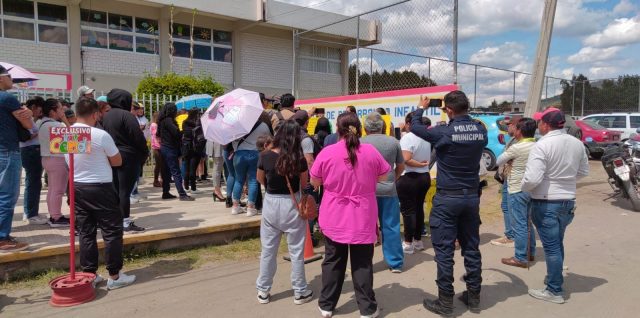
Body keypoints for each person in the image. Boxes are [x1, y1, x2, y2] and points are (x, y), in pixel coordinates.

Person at [410, 91, 487, 315]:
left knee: (444, 251)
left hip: (448, 198)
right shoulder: (480, 130)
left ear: (449, 110)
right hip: (471, 197)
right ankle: (474, 296)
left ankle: (445, 302)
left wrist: (421, 108)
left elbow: (416, 127)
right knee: (471, 246)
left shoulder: (445, 131)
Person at [312, 112, 389, 318]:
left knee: (333, 260)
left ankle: (327, 305)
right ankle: (367, 308)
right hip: (362, 214)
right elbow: (383, 176)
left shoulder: (328, 152)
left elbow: (315, 181)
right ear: (360, 129)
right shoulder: (370, 151)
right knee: (362, 262)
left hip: (334, 213)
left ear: (337, 129)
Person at [522, 107, 589, 304]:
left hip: (546, 202)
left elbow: (532, 178)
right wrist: (564, 181)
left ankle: (554, 290)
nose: (538, 126)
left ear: (545, 124)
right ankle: (555, 281)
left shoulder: (542, 145)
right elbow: (583, 171)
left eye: (540, 123)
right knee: (557, 245)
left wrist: (523, 187)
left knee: (552, 248)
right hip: (567, 201)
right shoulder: (577, 144)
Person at [70, 97, 136, 289]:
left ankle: (89, 273)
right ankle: (115, 276)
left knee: (86, 232)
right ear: (95, 114)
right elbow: (117, 161)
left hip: (77, 186)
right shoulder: (100, 135)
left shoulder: (67, 133)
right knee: (112, 231)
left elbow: (71, 161)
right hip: (100, 187)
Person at [255, 120, 313, 305]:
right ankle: (300, 291)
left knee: (268, 250)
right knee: (296, 251)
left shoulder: (265, 156)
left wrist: (272, 187)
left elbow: (259, 179)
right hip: (292, 203)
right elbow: (304, 185)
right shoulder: (299, 158)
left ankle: (263, 290)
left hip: (271, 202)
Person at [361, 112, 405, 273]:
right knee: (391, 226)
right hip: (388, 189)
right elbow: (401, 166)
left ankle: (364, 263)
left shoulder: (360, 143)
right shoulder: (393, 142)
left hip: (366, 192)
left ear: (365, 128)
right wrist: (393, 178)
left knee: (365, 228)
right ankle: (395, 263)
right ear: (383, 126)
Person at [101, 89, 149, 232]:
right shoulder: (126, 115)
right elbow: (137, 137)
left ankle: (116, 219)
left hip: (111, 154)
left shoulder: (107, 116)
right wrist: (144, 153)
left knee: (115, 189)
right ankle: (125, 222)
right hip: (128, 156)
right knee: (125, 191)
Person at [0, 64, 34, 252]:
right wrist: (27, 114)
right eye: (8, 76)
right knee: (7, 195)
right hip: (7, 150)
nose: (11, 79)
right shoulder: (7, 98)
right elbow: (28, 124)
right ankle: (2, 238)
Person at [498, 118, 538, 268]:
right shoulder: (537, 145)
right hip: (531, 188)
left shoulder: (517, 148)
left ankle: (520, 257)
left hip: (516, 188)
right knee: (528, 222)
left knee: (520, 224)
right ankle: (530, 252)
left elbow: (498, 161)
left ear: (519, 131)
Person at [397, 112, 431, 254]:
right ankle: (417, 241)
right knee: (418, 209)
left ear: (409, 124)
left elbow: (406, 159)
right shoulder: (425, 137)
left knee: (408, 211)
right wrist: (423, 165)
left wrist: (419, 165)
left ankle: (408, 242)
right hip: (424, 177)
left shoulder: (408, 138)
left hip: (410, 178)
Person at [38, 98, 71, 227]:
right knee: (58, 190)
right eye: (60, 108)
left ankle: (53, 215)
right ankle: (56, 217)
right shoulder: (56, 125)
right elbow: (73, 136)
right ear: (53, 111)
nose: (62, 111)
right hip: (57, 159)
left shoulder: (42, 123)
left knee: (52, 189)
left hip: (47, 158)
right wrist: (65, 120)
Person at [231, 116, 271, 216]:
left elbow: (232, 139)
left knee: (239, 180)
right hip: (255, 153)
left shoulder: (238, 125)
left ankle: (235, 207)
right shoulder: (263, 125)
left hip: (239, 154)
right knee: (253, 180)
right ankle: (250, 208)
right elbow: (269, 139)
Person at [20, 97, 48, 225]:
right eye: (40, 108)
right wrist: (39, 132)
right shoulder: (26, 117)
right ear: (34, 107)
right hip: (31, 150)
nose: (41, 111)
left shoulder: (29, 117)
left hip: (31, 150)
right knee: (33, 182)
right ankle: (31, 214)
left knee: (32, 182)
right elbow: (26, 136)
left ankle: (30, 212)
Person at [157, 103, 194, 201]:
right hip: (170, 148)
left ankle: (165, 192)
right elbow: (176, 133)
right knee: (176, 171)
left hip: (164, 148)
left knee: (166, 172)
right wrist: (184, 131)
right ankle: (182, 194)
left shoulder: (161, 121)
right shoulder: (169, 121)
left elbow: (159, 134)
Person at [491, 118, 518, 247]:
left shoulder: (517, 143)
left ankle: (511, 236)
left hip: (513, 179)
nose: (507, 128)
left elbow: (500, 160)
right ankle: (511, 234)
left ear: (516, 126)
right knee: (506, 207)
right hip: (508, 178)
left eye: (509, 125)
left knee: (509, 207)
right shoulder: (513, 140)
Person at [182, 108, 206, 194]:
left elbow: (184, 134)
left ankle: (186, 186)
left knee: (186, 167)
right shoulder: (199, 123)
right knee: (193, 168)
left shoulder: (184, 122)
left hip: (186, 146)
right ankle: (193, 188)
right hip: (196, 147)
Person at [150, 112, 163, 188]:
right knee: (158, 164)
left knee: (161, 164)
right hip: (157, 146)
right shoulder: (154, 125)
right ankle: (156, 180)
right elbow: (157, 135)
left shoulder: (155, 125)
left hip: (158, 146)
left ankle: (161, 179)